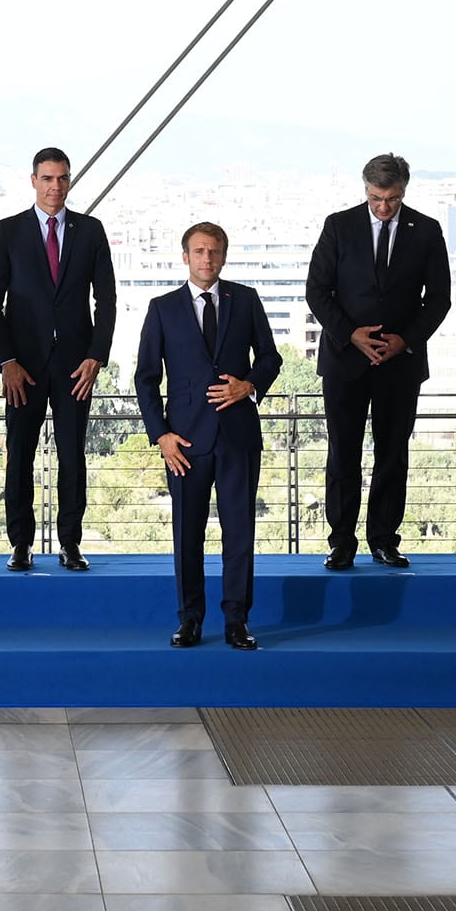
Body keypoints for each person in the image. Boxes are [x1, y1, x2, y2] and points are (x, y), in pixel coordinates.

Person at [135, 222, 283, 651]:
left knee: (240, 532)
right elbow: (146, 379)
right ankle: (190, 620)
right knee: (187, 534)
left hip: (238, 436)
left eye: (214, 252)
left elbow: (270, 358)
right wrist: (160, 435)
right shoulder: (162, 307)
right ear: (185, 256)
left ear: (224, 255)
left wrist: (248, 385)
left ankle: (237, 620)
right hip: (183, 441)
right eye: (199, 251)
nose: (207, 259)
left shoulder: (246, 299)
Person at [303, 153, 452, 570]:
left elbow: (439, 298)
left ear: (404, 190)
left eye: (392, 199)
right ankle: (341, 542)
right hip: (344, 359)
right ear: (364, 189)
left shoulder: (426, 230)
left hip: (400, 362)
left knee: (392, 454)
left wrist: (405, 340)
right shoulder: (338, 225)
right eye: (376, 198)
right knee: (342, 453)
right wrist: (350, 334)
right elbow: (317, 292)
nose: (384, 208)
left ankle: (384, 539)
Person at [0, 147, 117, 572]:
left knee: (74, 454)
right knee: (20, 452)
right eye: (47, 178)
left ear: (69, 181)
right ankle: (20, 544)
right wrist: (6, 361)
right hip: (24, 366)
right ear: (33, 180)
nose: (55, 186)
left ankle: (71, 544)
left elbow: (107, 299)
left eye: (62, 179)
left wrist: (96, 356)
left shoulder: (91, 231)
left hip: (76, 366)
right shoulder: (8, 231)